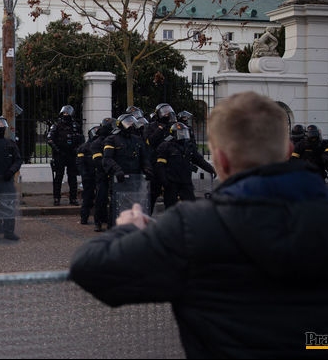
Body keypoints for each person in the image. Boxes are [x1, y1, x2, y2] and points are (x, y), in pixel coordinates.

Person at [69, 91, 328, 358]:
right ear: (288, 151)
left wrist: (128, 228)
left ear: (221, 158)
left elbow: (90, 267)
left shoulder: (191, 227)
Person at [102, 113, 153, 229]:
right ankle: (113, 229)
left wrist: (147, 169)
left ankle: (134, 227)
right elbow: (107, 159)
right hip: (119, 179)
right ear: (120, 125)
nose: (130, 125)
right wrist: (117, 170)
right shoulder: (111, 139)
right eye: (128, 123)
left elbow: (144, 158)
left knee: (135, 204)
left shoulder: (137, 140)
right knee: (117, 204)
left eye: (132, 123)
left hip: (135, 178)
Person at [154, 122, 215, 210]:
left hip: (186, 182)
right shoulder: (166, 146)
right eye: (180, 133)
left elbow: (199, 160)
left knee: (191, 207)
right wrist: (164, 181)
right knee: (171, 208)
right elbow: (160, 166)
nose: (182, 135)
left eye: (184, 132)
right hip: (172, 182)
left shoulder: (188, 146)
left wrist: (210, 169)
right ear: (173, 134)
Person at [46, 105, 84, 206]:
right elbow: (49, 138)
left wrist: (77, 149)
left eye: (67, 113)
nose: (65, 115)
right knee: (58, 177)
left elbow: (81, 139)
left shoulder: (76, 126)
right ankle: (57, 198)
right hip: (60, 155)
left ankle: (73, 198)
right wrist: (57, 149)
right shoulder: (56, 125)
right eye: (64, 113)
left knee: (72, 177)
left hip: (72, 154)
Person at [75, 126, 98, 225]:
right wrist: (84, 174)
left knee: (100, 198)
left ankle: (102, 218)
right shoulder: (84, 147)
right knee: (87, 198)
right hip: (89, 176)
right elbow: (80, 162)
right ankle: (84, 218)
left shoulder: (99, 145)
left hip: (97, 175)